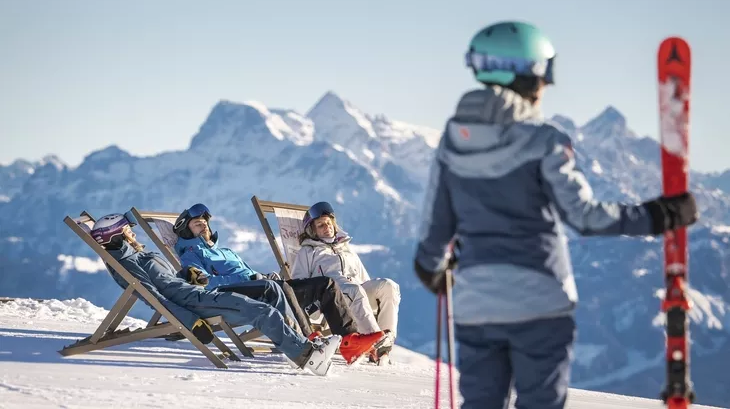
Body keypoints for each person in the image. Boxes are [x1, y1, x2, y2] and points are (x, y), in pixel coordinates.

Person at [412, 20, 699, 409]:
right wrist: (657, 216)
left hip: (476, 305)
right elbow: (585, 217)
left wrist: (431, 268)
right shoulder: (544, 140)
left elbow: (435, 227)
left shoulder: (452, 140)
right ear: (533, 76)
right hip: (541, 305)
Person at [89, 212, 341, 376]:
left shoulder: (139, 255)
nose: (133, 233)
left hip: (193, 292)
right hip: (193, 303)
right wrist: (190, 321)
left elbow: (166, 282)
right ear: (115, 237)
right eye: (127, 232)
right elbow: (155, 297)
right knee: (261, 310)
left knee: (266, 299)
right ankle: (308, 357)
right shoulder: (127, 263)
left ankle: (300, 346)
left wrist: (187, 275)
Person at [172, 203, 386, 365]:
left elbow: (249, 274)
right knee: (279, 288)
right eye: (197, 224)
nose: (204, 226)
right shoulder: (191, 253)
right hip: (243, 296)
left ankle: (350, 341)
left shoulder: (224, 251)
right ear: (186, 230)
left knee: (326, 284)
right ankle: (309, 339)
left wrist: (260, 275)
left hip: (262, 286)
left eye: (205, 222)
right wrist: (250, 279)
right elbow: (203, 284)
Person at [293, 201, 400, 365]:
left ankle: (385, 343)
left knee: (388, 286)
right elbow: (298, 284)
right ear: (312, 230)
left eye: (328, 223)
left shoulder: (346, 248)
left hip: (357, 295)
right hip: (330, 298)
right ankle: (373, 341)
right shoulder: (308, 252)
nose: (326, 227)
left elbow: (365, 280)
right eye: (321, 225)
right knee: (354, 289)